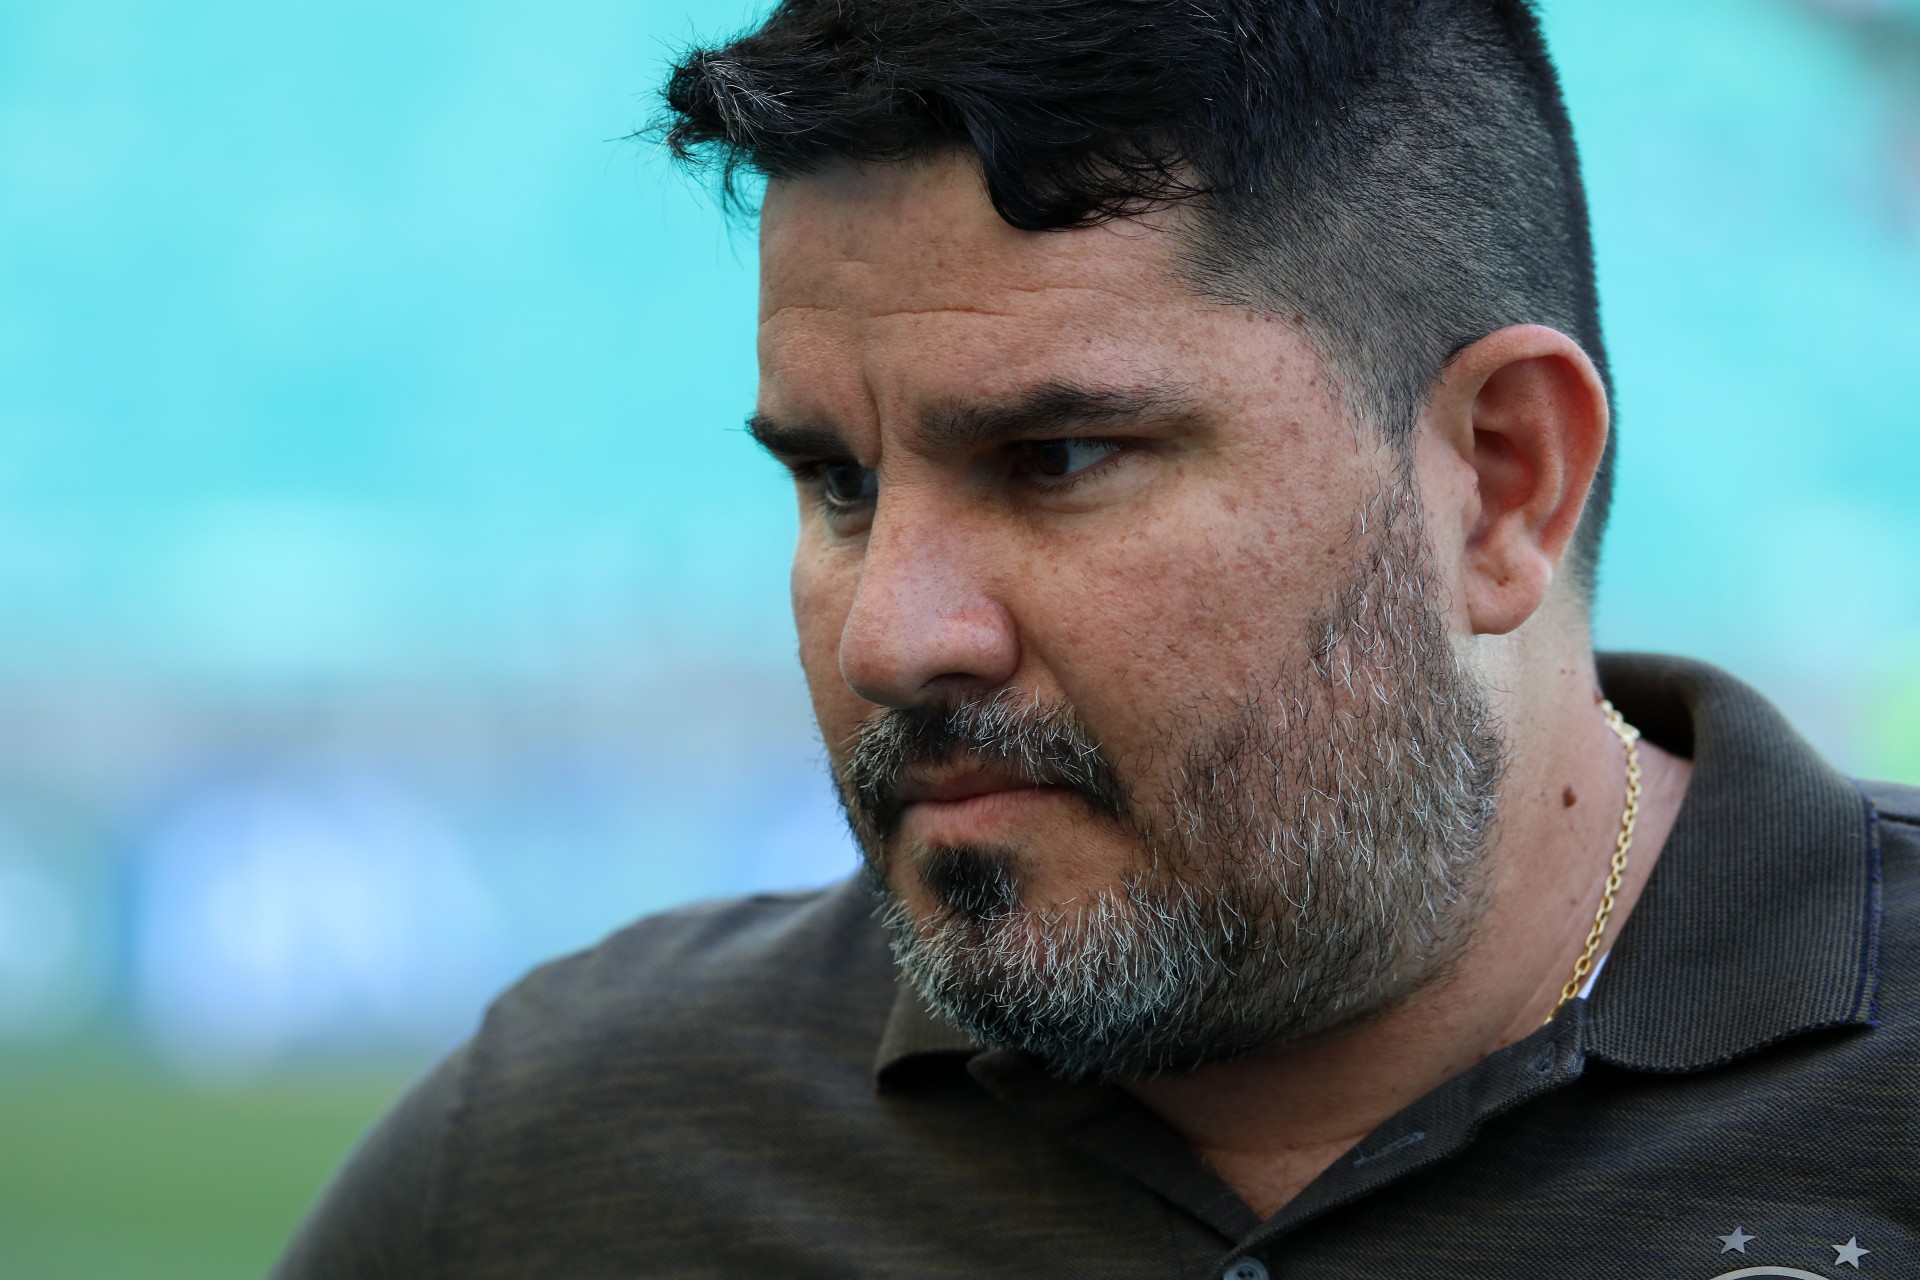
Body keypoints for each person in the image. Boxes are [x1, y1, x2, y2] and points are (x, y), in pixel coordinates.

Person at [273, 1, 1916, 1276]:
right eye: (838, 483)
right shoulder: (562, 1167)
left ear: (1501, 482)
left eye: (1055, 461)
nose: (896, 639)